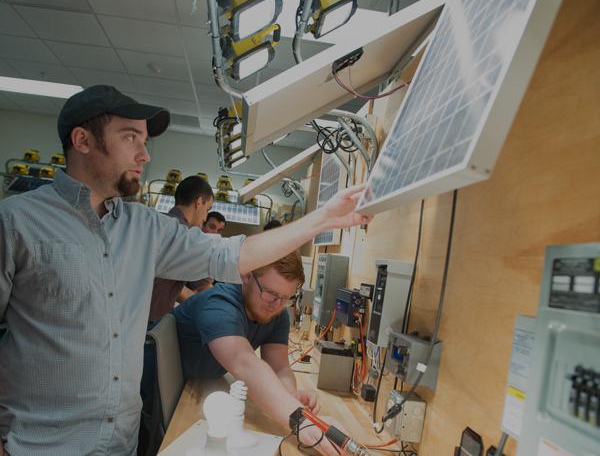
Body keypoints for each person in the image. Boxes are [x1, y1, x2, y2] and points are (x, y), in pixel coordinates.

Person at [0, 84, 371, 456]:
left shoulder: (144, 227)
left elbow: (233, 254)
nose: (144, 154)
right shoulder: (16, 222)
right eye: (130, 137)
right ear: (82, 140)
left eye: (145, 140)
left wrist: (322, 218)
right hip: (39, 444)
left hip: (119, 443)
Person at [173, 251, 338, 456]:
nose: (277, 305)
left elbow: (279, 367)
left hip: (201, 382)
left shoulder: (276, 312)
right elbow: (245, 364)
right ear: (246, 276)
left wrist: (290, 397)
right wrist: (300, 420)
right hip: (169, 386)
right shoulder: (219, 304)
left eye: (286, 298)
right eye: (271, 294)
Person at [148, 175, 215, 323]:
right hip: (150, 322)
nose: (205, 218)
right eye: (207, 209)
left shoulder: (154, 225)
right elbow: (205, 288)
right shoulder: (187, 238)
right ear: (198, 203)